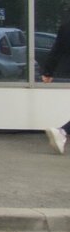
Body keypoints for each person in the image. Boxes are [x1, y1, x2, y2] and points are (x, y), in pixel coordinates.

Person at [41, 11, 70, 154]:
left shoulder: (66, 26)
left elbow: (57, 49)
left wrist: (48, 71)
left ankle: (62, 132)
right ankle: (62, 131)